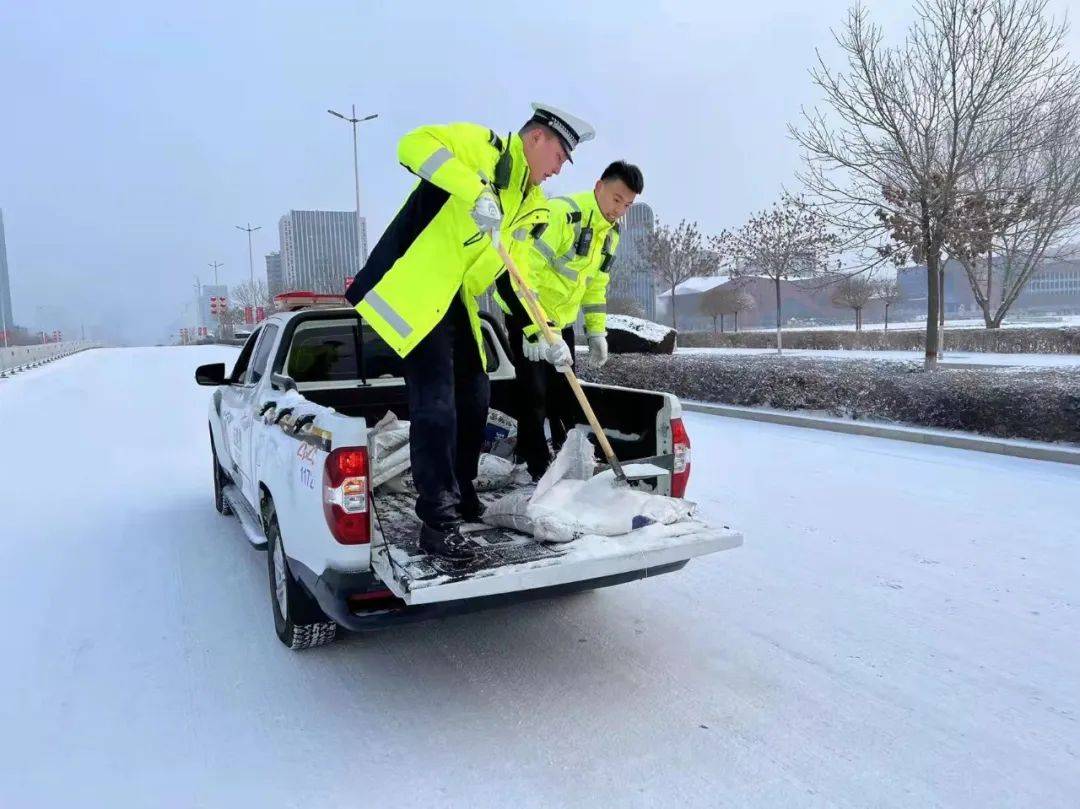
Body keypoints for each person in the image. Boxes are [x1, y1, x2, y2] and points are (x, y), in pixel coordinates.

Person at [344, 104, 595, 560]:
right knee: (436, 404)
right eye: (559, 155)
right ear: (536, 139)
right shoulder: (484, 149)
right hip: (418, 290)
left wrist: (546, 336)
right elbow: (412, 144)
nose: (559, 169)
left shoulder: (531, 205)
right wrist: (473, 189)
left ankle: (459, 494)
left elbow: (513, 279)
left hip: (455, 298)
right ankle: (437, 522)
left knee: (476, 396)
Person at [495, 161, 643, 480]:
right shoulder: (563, 214)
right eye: (616, 199)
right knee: (533, 393)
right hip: (528, 314)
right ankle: (537, 469)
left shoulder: (610, 236)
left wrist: (596, 333)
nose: (620, 210)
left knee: (563, 392)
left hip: (561, 324)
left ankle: (560, 458)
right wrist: (534, 329)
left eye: (628, 205)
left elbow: (596, 286)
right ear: (599, 187)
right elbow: (523, 269)